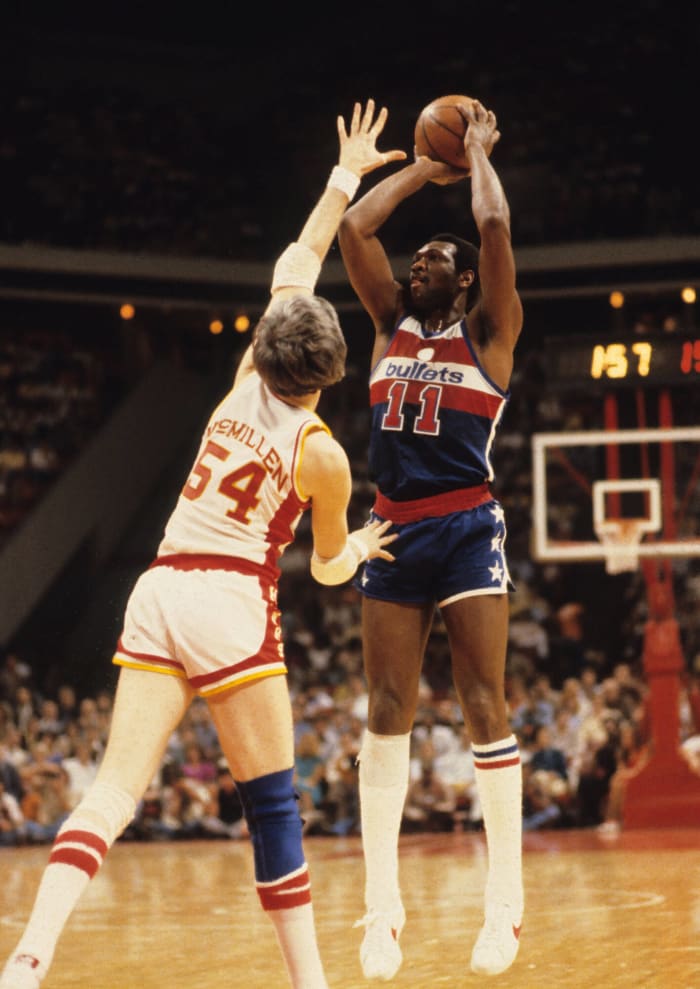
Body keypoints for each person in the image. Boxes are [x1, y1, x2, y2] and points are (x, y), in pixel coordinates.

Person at [0, 99, 405, 989]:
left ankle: (27, 957)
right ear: (329, 375)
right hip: (228, 601)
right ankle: (311, 984)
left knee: (112, 791)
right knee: (272, 805)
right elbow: (330, 566)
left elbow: (297, 262)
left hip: (159, 584)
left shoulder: (232, 387)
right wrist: (365, 545)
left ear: (260, 355)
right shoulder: (323, 455)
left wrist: (344, 174)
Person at [337, 97, 525, 979]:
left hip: (465, 522)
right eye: (417, 260)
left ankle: (505, 911)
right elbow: (354, 228)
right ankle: (383, 915)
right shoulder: (386, 327)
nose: (421, 263)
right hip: (391, 527)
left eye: (437, 258)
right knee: (385, 712)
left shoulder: (492, 333)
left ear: (462, 279)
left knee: (485, 702)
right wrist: (421, 165)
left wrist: (476, 154)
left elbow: (492, 227)